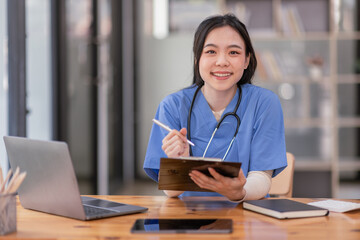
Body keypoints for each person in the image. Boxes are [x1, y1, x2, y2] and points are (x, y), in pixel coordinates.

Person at [143, 13, 287, 201]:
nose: (222, 61)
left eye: (233, 52)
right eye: (211, 51)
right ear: (197, 59)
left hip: (248, 214)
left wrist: (239, 192)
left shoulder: (265, 103)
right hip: (189, 220)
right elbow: (171, 192)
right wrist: (179, 162)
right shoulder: (172, 106)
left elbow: (261, 177)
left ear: (246, 60)